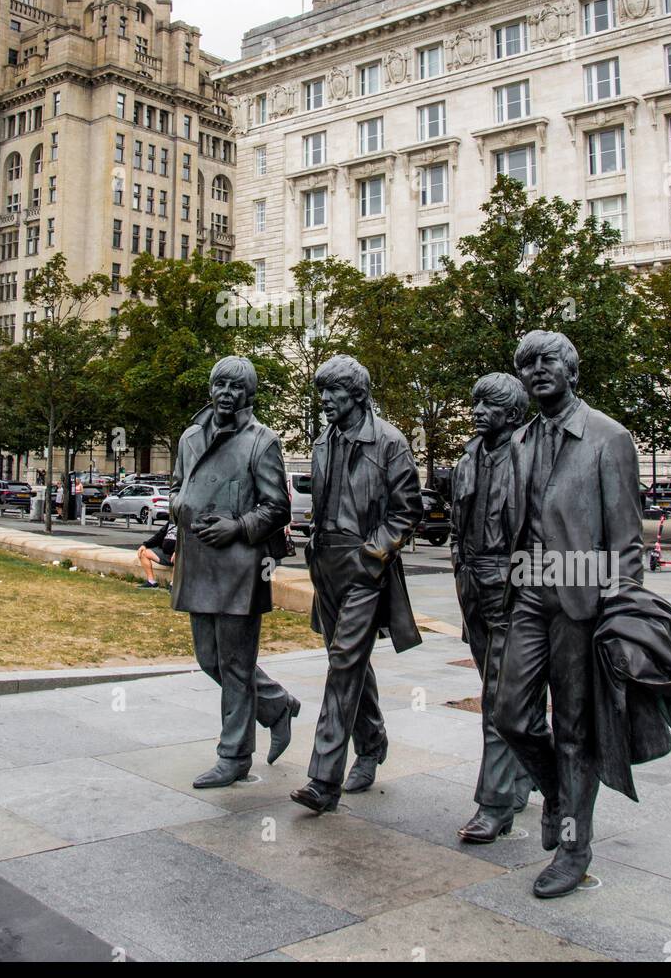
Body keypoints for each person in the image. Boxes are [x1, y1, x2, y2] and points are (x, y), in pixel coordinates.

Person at [494, 330, 644, 899]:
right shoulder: (521, 440)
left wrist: (621, 613)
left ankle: (574, 849)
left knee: (576, 731)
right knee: (509, 713)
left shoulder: (609, 439)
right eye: (525, 363)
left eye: (546, 360)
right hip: (531, 592)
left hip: (584, 601)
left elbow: (627, 542)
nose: (535, 370)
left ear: (571, 369)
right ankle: (555, 794)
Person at [290, 355, 423, 815]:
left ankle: (323, 780)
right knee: (348, 660)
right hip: (325, 564)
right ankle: (372, 742)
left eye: (335, 393)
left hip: (365, 566)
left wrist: (374, 554)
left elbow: (407, 511)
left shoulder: (390, 443)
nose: (325, 400)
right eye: (322, 392)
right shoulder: (323, 442)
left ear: (358, 395)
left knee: (345, 661)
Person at [169, 356, 301, 788]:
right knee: (210, 660)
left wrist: (237, 526)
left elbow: (277, 506)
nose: (226, 393)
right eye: (220, 384)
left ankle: (234, 755)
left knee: (237, 666)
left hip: (241, 566)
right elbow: (176, 488)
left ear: (249, 394)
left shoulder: (262, 441)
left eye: (235, 386)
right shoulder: (190, 437)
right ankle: (277, 705)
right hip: (199, 562)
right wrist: (182, 508)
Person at [451, 372, 533, 843]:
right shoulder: (468, 457)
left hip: (510, 585)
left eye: (489, 405)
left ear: (513, 414)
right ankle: (524, 774)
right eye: (475, 403)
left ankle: (494, 804)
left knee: (499, 698)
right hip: (472, 583)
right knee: (501, 690)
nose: (478, 411)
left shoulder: (527, 457)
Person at [138, 518, 176, 586]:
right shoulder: (172, 521)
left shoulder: (187, 523)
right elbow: (159, 535)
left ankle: (173, 585)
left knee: (179, 556)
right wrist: (145, 545)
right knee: (143, 553)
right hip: (165, 554)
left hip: (179, 556)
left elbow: (189, 541)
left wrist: (178, 551)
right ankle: (151, 581)